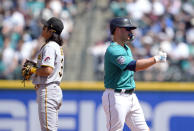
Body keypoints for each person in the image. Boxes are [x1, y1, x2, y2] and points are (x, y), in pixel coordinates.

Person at [102, 17, 167, 131]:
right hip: (116, 96)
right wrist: (156, 59)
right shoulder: (113, 50)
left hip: (131, 96)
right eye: (128, 29)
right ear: (117, 30)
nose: (131, 32)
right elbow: (133, 66)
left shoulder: (126, 48)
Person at [26, 17, 64, 131]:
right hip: (52, 89)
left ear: (51, 31)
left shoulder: (50, 46)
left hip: (48, 90)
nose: (42, 29)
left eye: (45, 27)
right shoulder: (56, 46)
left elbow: (47, 70)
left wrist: (33, 70)